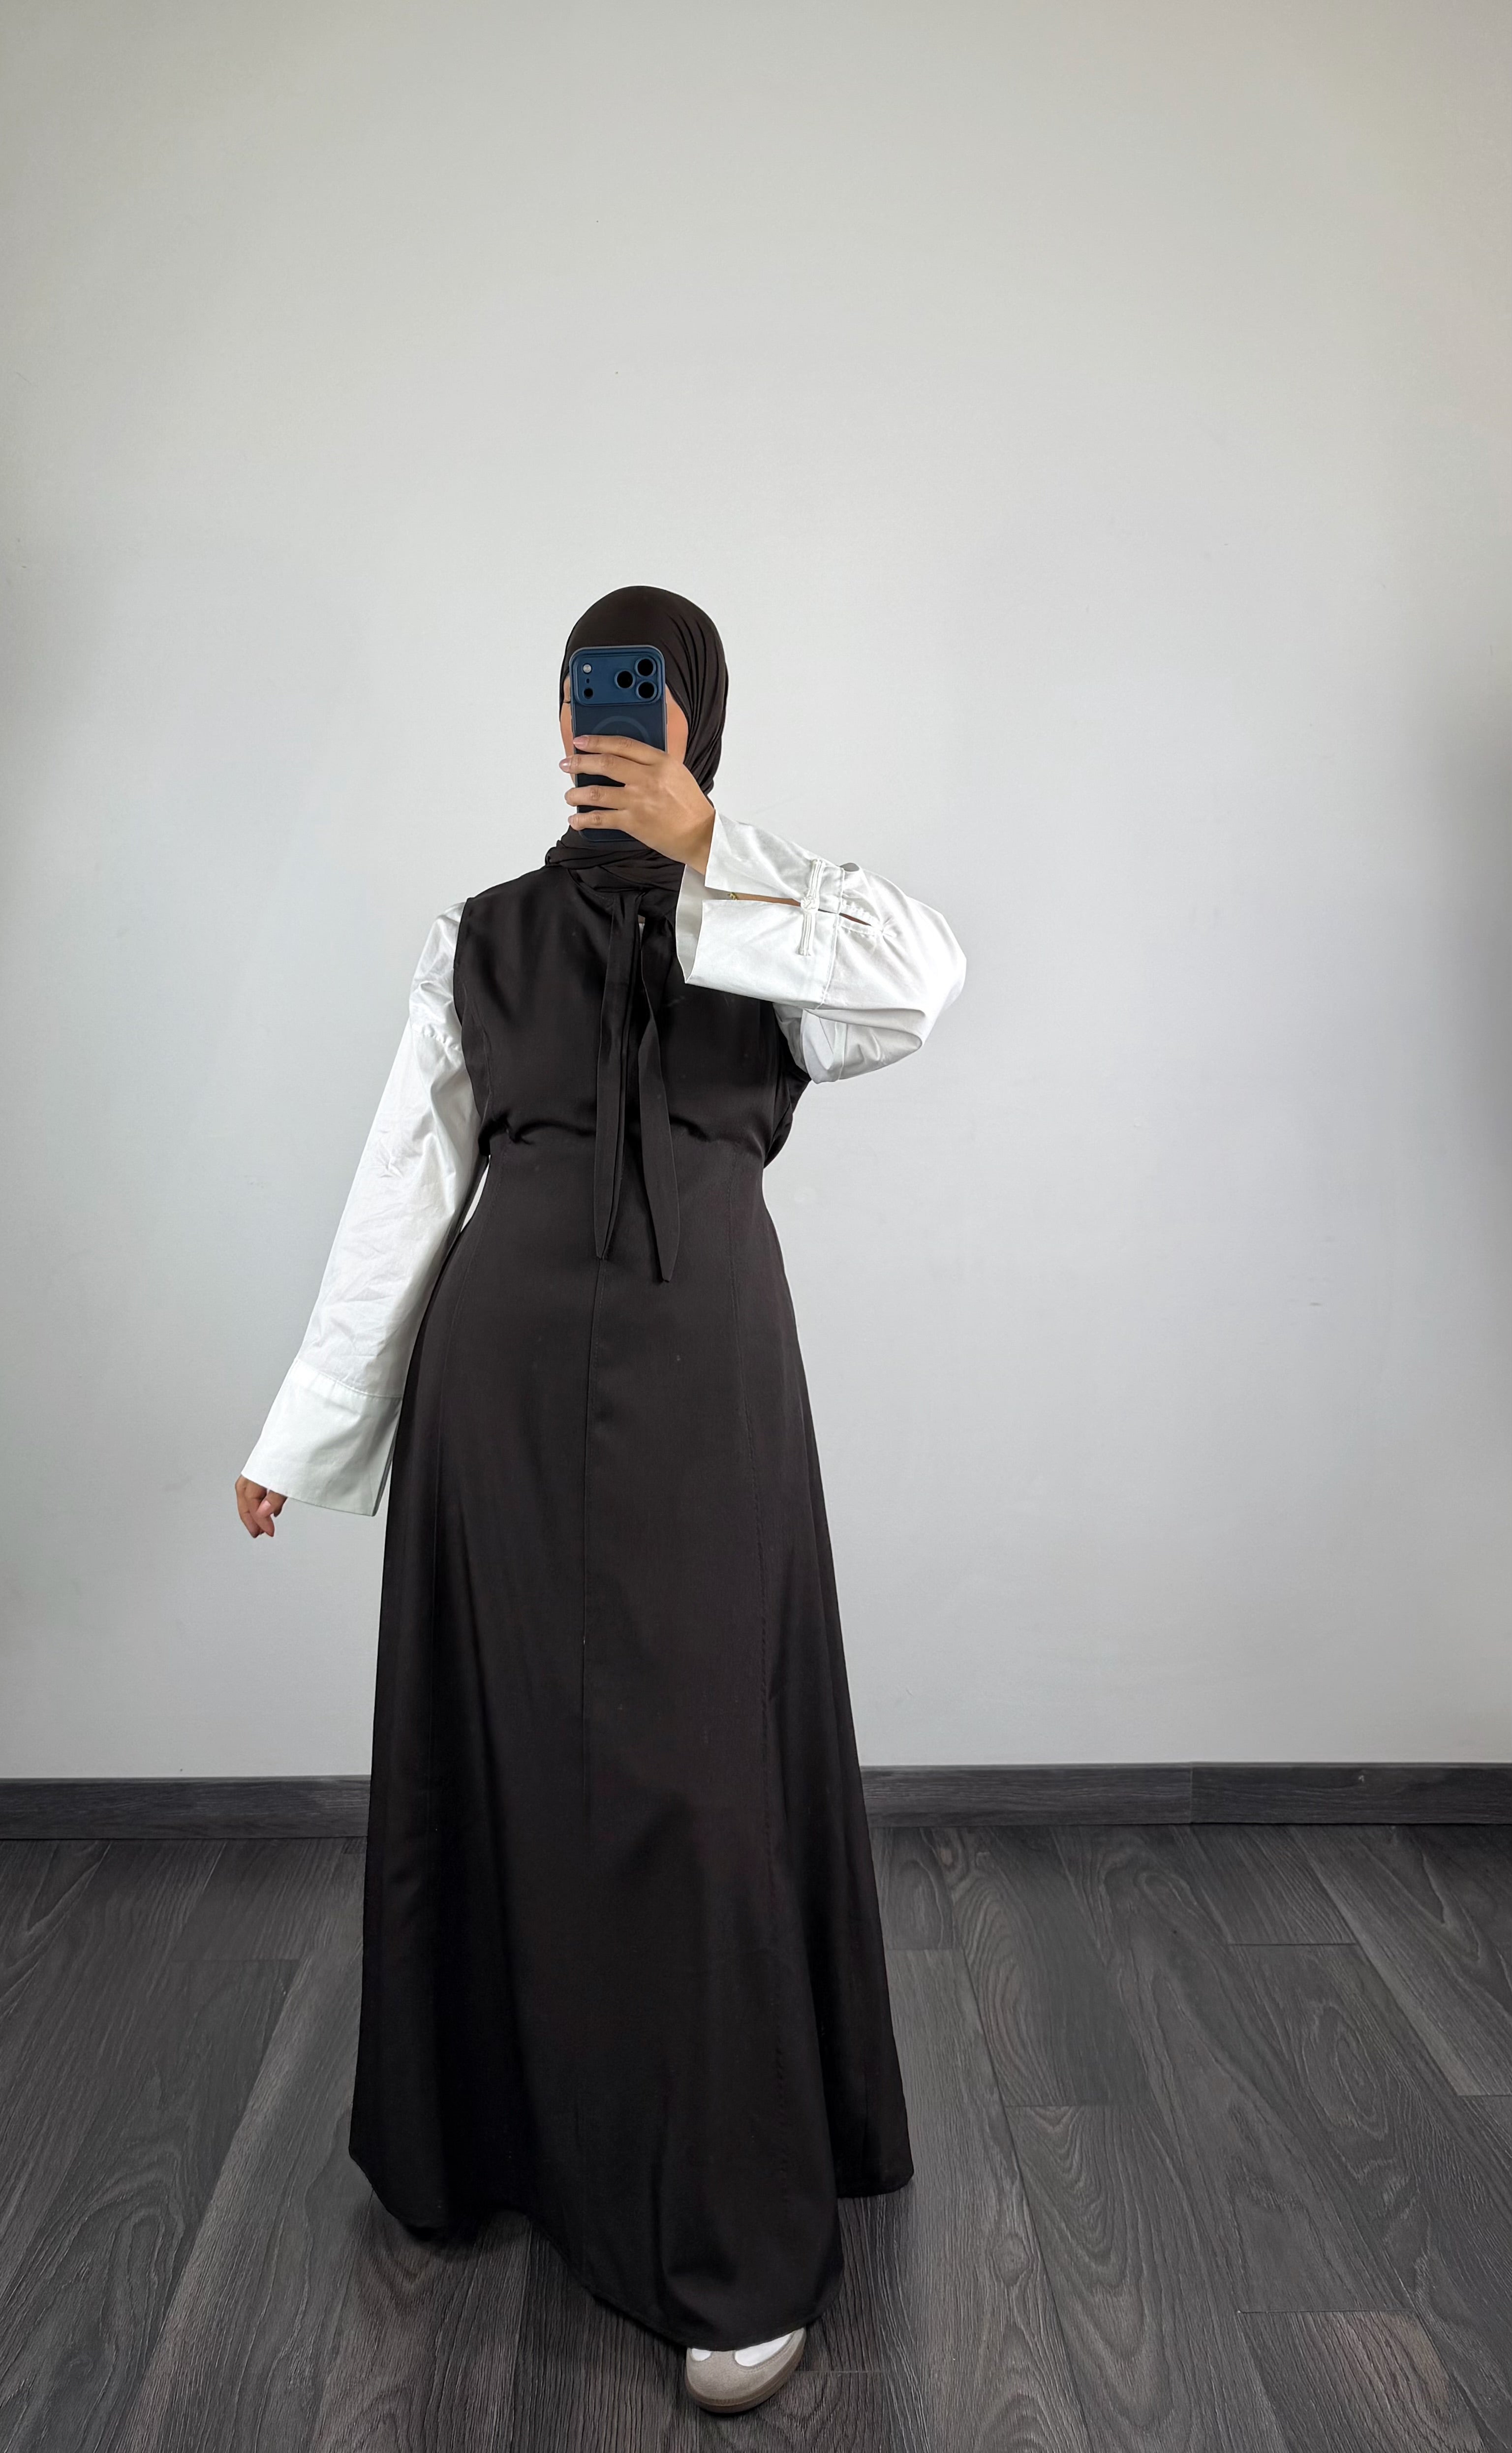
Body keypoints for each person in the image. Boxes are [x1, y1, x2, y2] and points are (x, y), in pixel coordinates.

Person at [236, 586, 965, 2415]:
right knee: (511, 1757)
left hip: (705, 1386)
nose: (603, 717)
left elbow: (925, 980)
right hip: (495, 1391)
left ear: (697, 717)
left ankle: (728, 2230)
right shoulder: (478, 936)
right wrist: (302, 1424)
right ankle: (501, 2145)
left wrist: (716, 850)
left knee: (696, 1778)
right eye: (580, 690)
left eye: (635, 692)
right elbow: (406, 1181)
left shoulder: (784, 931)